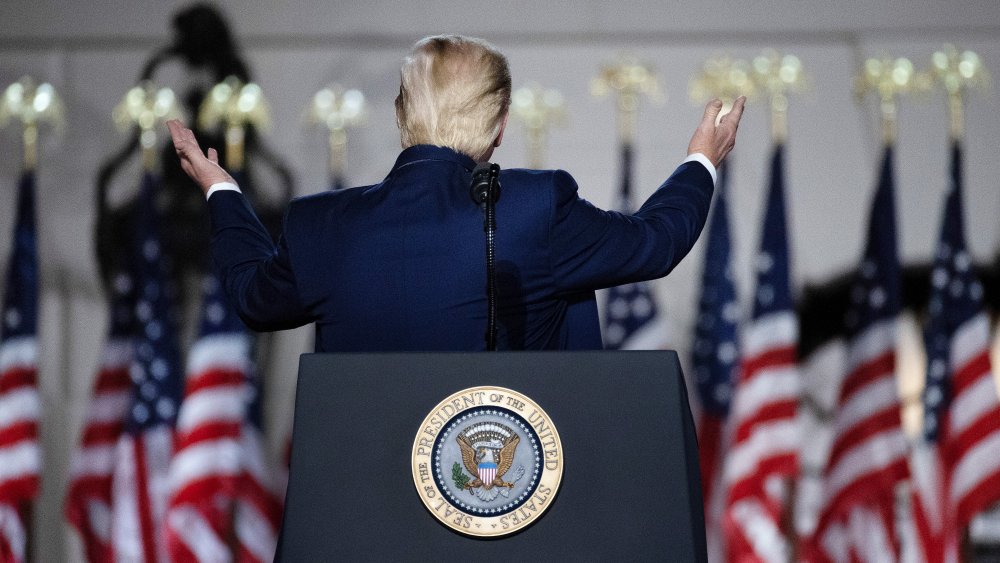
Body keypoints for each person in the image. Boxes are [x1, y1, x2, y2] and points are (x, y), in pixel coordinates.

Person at [167, 34, 744, 352]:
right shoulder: (536, 208)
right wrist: (702, 159)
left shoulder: (320, 224)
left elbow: (251, 296)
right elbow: (655, 242)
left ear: (400, 116)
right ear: (500, 125)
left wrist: (223, 193)